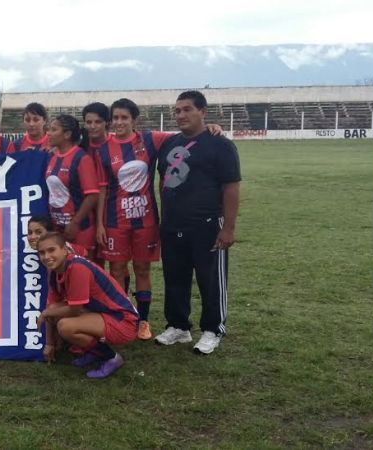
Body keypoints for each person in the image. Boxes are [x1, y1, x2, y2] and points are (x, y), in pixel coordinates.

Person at [96, 98, 224, 340]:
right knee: (117, 270)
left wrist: (210, 126)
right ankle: (122, 316)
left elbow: (185, 133)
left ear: (134, 120)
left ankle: (143, 321)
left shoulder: (149, 139)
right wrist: (101, 223)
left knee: (143, 269)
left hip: (145, 220)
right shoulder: (103, 148)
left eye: (124, 117)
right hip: (116, 221)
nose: (119, 122)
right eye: (115, 118)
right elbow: (103, 189)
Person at [155, 90, 241, 355]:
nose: (181, 115)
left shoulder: (220, 145)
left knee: (210, 280)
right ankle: (179, 326)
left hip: (206, 225)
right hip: (173, 225)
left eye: (187, 109)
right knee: (175, 278)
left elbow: (231, 187)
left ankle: (213, 329)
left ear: (203, 112)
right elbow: (164, 181)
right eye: (177, 111)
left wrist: (227, 227)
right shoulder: (169, 144)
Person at [37, 233, 138, 379]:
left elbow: (74, 309)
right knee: (54, 311)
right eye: (42, 252)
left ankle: (111, 358)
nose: (46, 256)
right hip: (103, 314)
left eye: (51, 250)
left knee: (65, 326)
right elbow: (51, 308)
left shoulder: (77, 268)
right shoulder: (54, 271)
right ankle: (94, 352)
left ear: (65, 250)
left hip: (124, 321)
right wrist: (49, 344)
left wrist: (46, 313)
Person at [45, 114, 99, 257]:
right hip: (58, 227)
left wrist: (75, 223)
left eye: (53, 130)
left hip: (79, 228)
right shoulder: (52, 157)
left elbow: (92, 195)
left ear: (67, 134)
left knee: (81, 271)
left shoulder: (81, 158)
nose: (48, 133)